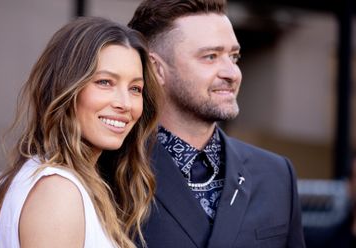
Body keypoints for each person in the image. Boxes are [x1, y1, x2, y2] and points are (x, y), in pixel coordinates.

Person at [127, 0, 306, 247]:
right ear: (156, 68)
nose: (232, 73)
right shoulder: (113, 170)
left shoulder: (276, 175)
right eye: (210, 56)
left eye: (234, 56)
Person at [0, 16, 161, 248]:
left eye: (135, 88)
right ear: (66, 88)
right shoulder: (58, 192)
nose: (125, 103)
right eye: (105, 82)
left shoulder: (65, 183)